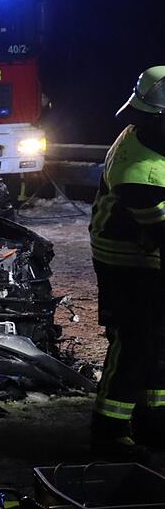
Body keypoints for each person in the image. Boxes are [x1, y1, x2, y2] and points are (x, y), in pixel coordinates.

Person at [89, 65, 165, 461]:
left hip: (145, 254)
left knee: (159, 339)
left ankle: (155, 417)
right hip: (127, 261)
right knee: (135, 342)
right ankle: (110, 429)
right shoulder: (140, 172)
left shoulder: (150, 135)